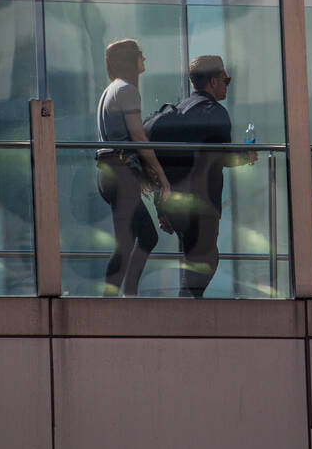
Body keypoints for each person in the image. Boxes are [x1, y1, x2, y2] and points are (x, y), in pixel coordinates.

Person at [156, 55, 255, 298]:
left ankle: (188, 313)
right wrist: (246, 155)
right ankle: (185, 318)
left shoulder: (178, 110)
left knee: (195, 260)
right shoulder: (215, 113)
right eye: (225, 79)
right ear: (213, 81)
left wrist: (160, 208)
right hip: (200, 203)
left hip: (173, 202)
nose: (226, 84)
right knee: (205, 261)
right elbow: (222, 156)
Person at [95, 39, 170, 296]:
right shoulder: (127, 90)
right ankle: (117, 300)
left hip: (111, 171)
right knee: (130, 242)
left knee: (139, 238)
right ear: (130, 60)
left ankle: (125, 295)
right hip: (119, 172)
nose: (144, 59)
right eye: (140, 54)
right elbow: (138, 138)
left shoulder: (111, 89)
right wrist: (161, 176)